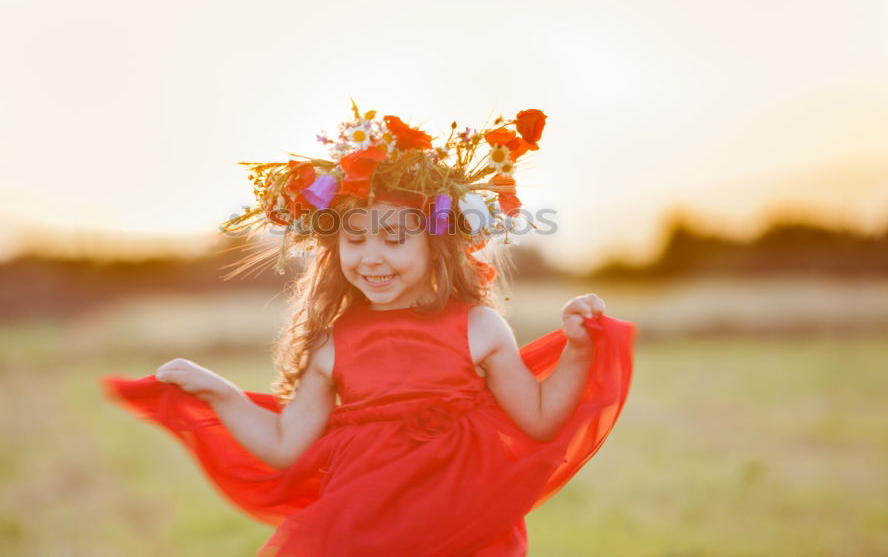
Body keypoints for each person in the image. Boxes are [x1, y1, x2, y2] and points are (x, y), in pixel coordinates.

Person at [100, 102, 637, 556]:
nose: (372, 257)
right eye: (355, 239)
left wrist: (578, 348)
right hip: (360, 535)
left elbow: (540, 419)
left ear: (436, 244)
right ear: (334, 249)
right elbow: (286, 444)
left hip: (466, 533)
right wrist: (218, 390)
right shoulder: (333, 341)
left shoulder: (479, 327)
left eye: (395, 239)